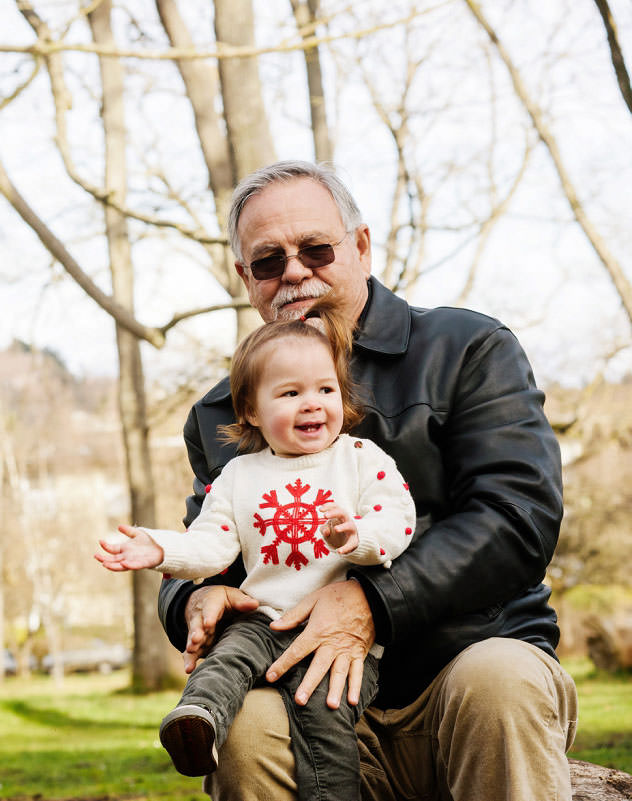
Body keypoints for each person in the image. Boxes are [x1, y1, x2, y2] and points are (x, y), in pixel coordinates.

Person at [157, 160, 578, 801]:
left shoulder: (466, 348)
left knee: (501, 684)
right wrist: (191, 601)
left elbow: (517, 518)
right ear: (246, 279)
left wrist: (372, 602)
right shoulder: (223, 413)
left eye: (316, 249)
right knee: (242, 729)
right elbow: (210, 541)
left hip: (471, 663)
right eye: (268, 261)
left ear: (359, 246)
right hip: (305, 686)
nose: (293, 271)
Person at [99, 303, 415, 800]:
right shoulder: (239, 476)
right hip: (262, 617)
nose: (312, 404)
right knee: (224, 662)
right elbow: (211, 545)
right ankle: (198, 726)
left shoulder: (359, 459)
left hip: (337, 633)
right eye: (290, 393)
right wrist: (158, 548)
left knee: (325, 716)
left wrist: (360, 537)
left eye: (325, 389)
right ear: (251, 410)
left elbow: (398, 517)